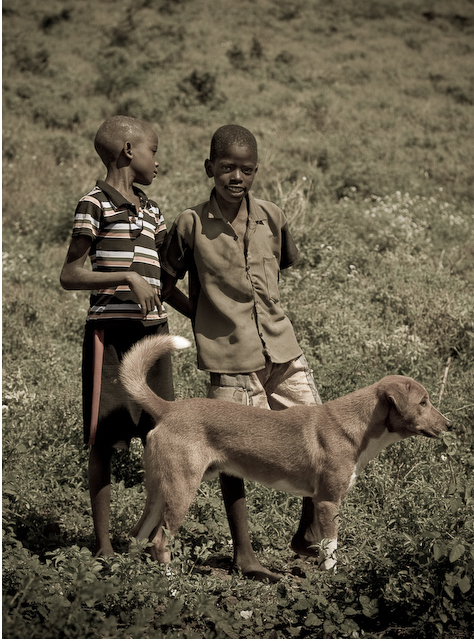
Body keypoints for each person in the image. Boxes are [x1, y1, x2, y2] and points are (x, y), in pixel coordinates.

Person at [161, 124, 322, 581]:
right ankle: (244, 553)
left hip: (283, 348)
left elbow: (281, 265)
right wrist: (201, 314)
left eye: (246, 169)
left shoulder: (271, 215)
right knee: (227, 453)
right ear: (209, 168)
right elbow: (165, 281)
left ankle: (308, 536)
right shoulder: (190, 223)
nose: (237, 176)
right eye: (227, 167)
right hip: (229, 359)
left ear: (256, 171)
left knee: (317, 437)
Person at [60, 115, 189, 558]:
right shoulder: (93, 203)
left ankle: (155, 539)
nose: (159, 162)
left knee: (164, 432)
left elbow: (165, 285)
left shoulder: (153, 209)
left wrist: (204, 313)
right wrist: (126, 277)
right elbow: (70, 273)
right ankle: (103, 547)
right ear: (130, 151)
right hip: (110, 338)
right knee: (105, 439)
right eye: (154, 151)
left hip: (154, 336)